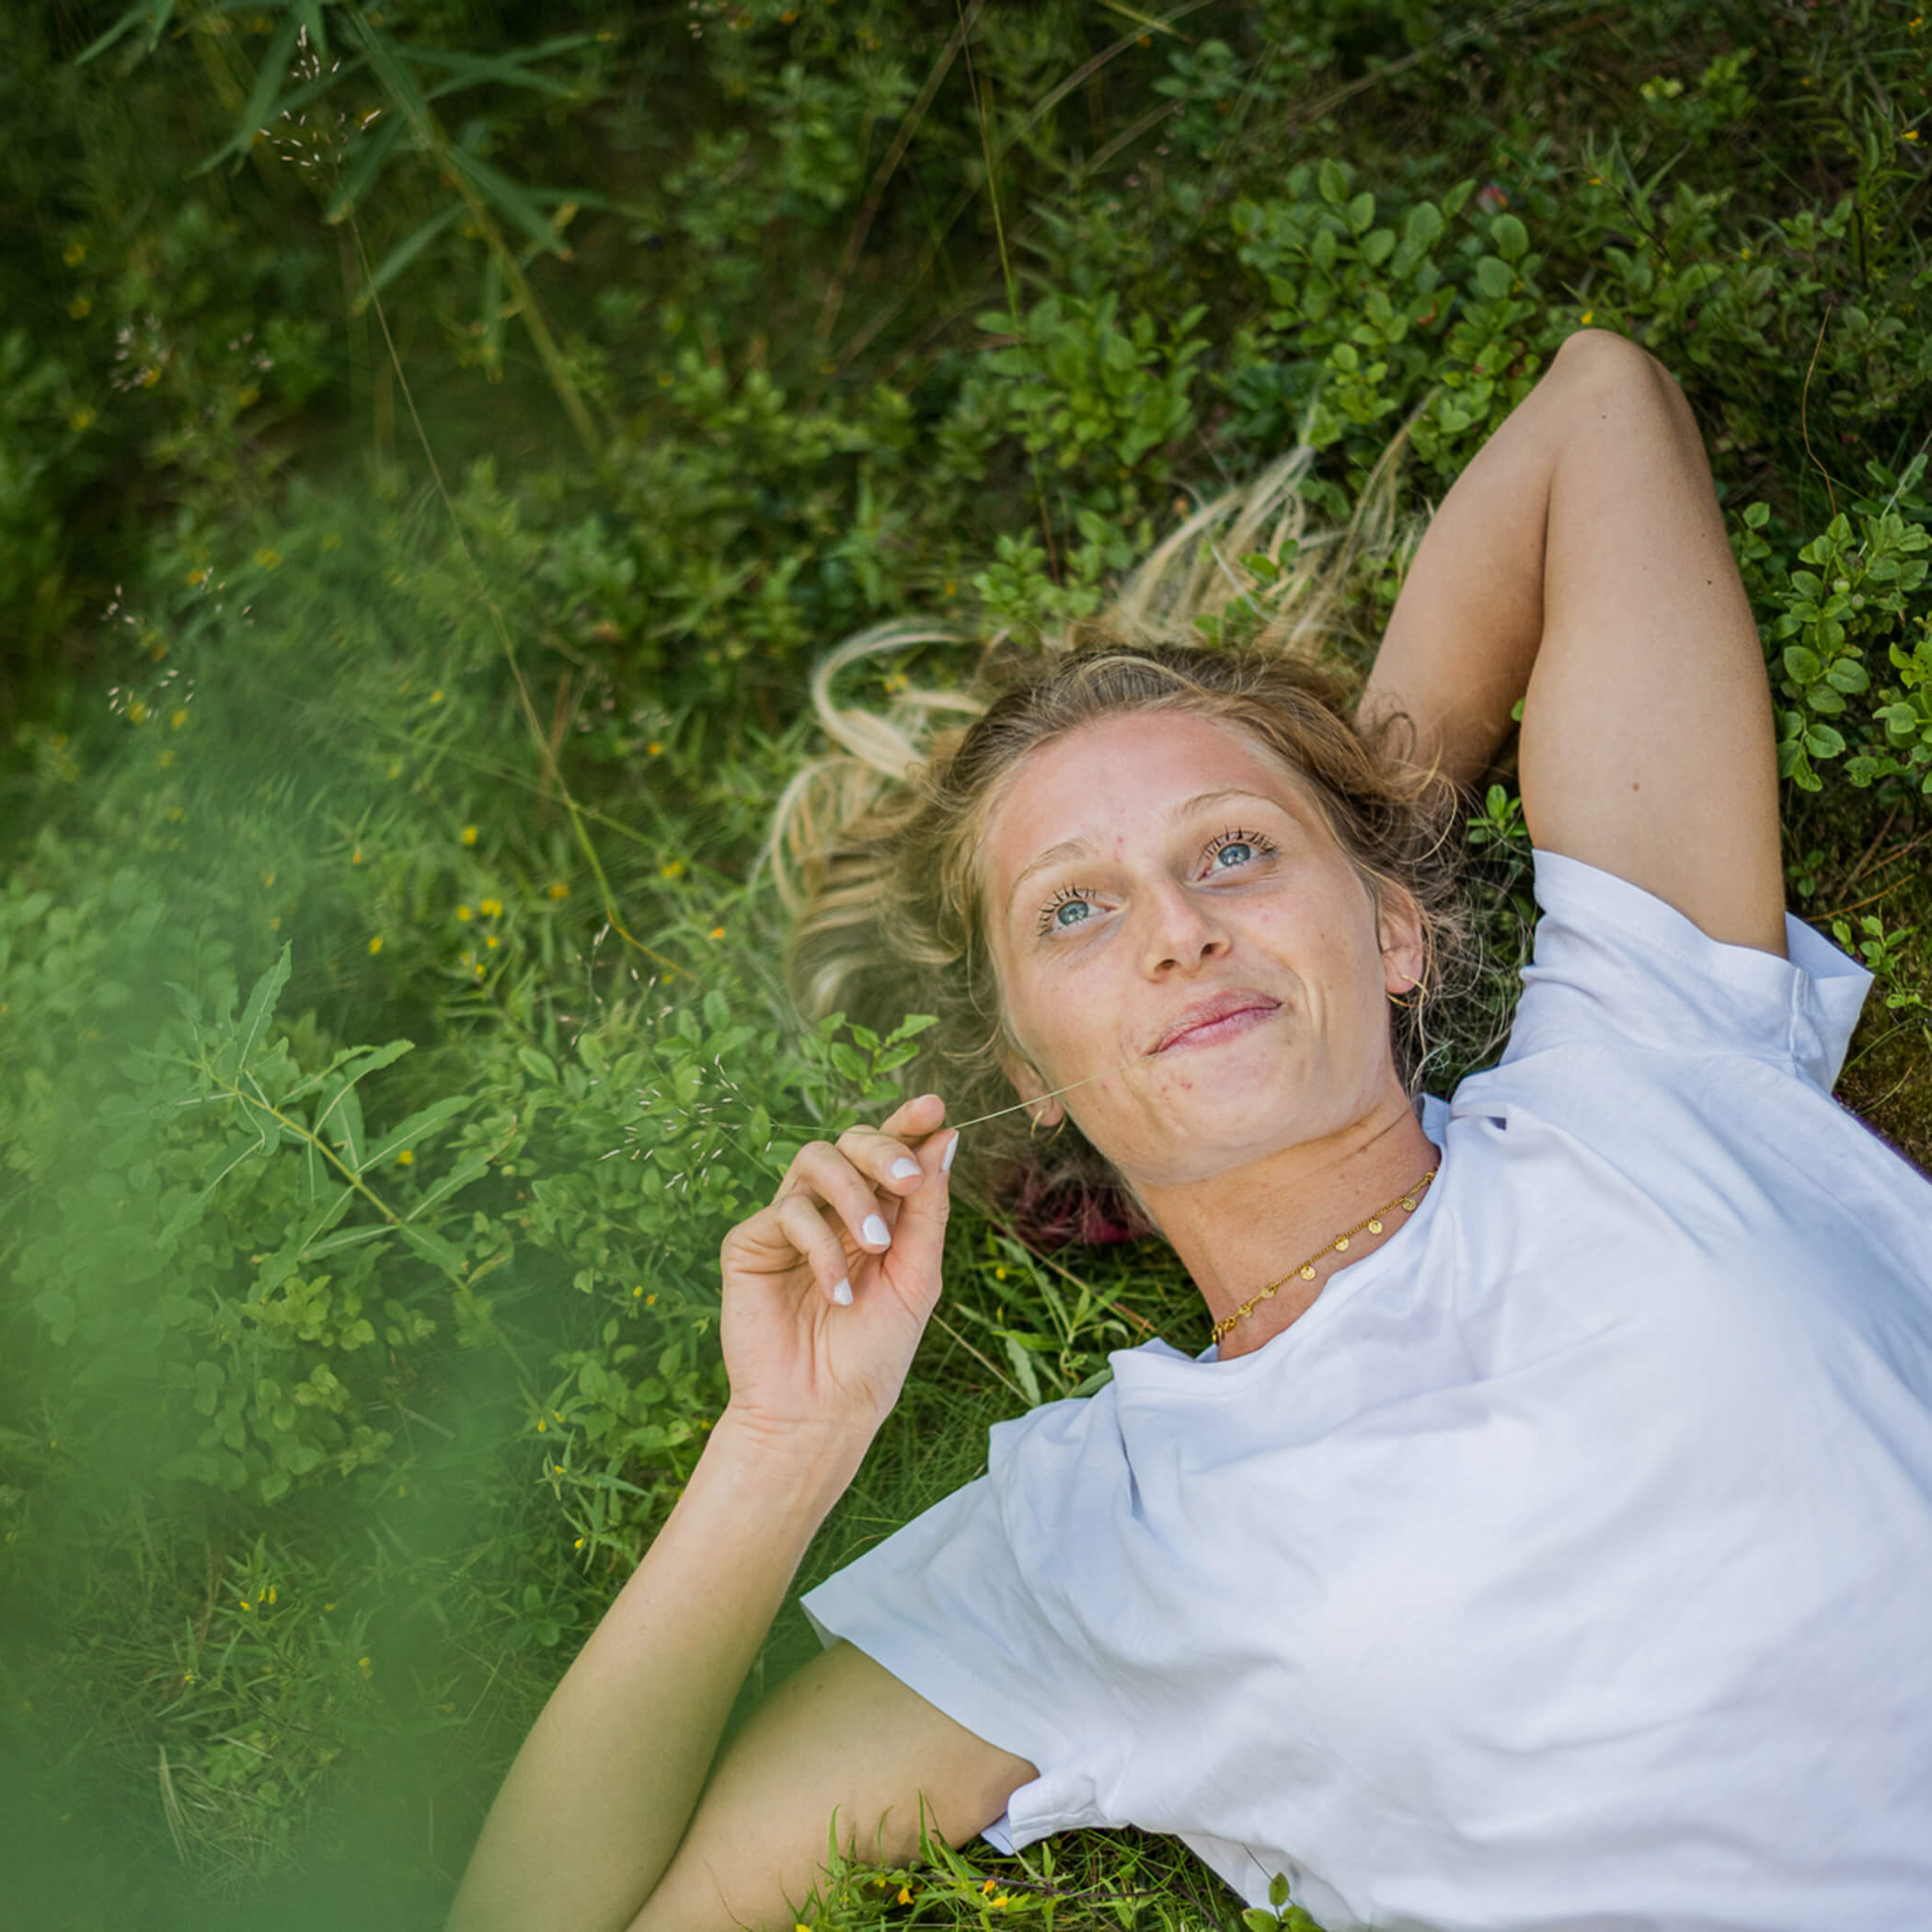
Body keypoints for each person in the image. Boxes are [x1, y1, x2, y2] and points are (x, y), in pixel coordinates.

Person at [445, 329, 1932, 1932]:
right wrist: (783, 1443)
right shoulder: (1098, 1550)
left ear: (1402, 930)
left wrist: (1350, 837)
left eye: (1231, 855)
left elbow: (1599, 407)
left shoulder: (1641, 1054)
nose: (1177, 931)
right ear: (1029, 1073)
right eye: (1075, 909)